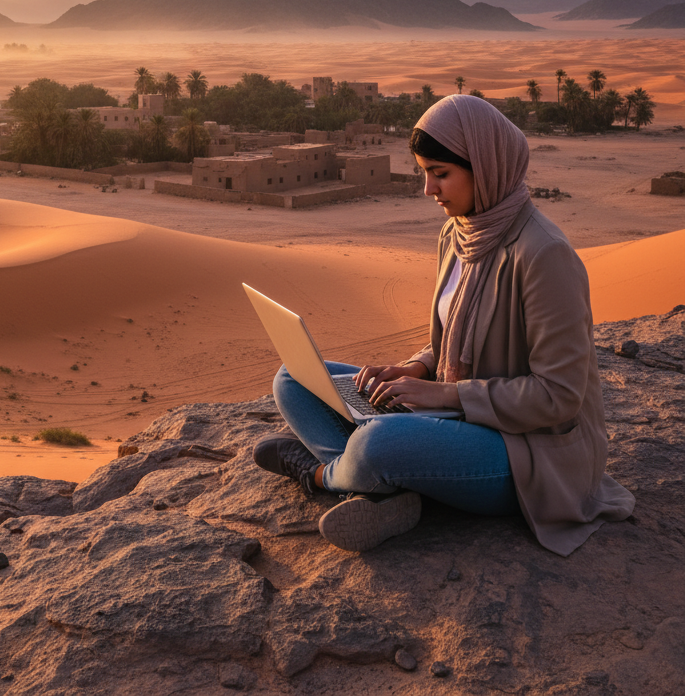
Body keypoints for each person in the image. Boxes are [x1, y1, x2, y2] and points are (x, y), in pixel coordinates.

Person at [254, 94, 634, 556]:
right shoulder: (458, 233)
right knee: (292, 377)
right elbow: (459, 337)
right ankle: (384, 489)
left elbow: (559, 396)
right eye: (423, 172)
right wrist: (417, 367)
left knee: (378, 442)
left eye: (440, 173)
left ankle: (323, 476)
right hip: (452, 417)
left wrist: (446, 394)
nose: (429, 190)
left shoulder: (544, 255)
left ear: (487, 166)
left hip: (524, 455)